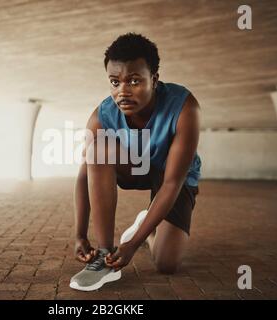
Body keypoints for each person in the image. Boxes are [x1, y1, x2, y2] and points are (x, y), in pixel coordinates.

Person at [70, 33, 201, 291]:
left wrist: (133, 244)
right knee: (99, 148)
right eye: (114, 82)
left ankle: (147, 227)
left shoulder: (185, 107)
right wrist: (79, 235)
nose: (123, 91)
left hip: (170, 175)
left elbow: (172, 183)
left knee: (167, 264)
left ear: (154, 79)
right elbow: (84, 176)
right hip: (133, 167)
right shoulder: (101, 116)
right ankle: (104, 257)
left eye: (133, 81)